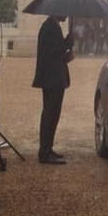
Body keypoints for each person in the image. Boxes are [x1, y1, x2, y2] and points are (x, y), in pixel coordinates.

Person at [32, 15, 74, 165]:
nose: (66, 15)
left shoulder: (51, 26)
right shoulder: (51, 28)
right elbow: (54, 53)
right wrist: (68, 43)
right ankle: (45, 152)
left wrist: (66, 48)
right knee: (50, 115)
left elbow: (55, 52)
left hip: (52, 78)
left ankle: (47, 149)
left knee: (51, 115)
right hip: (52, 79)